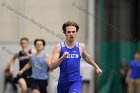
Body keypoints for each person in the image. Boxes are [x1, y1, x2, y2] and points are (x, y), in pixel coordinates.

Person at [50, 21, 103, 93]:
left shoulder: (80, 46)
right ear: (65, 33)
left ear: (76, 32)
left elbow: (87, 57)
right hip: (63, 82)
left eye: (73, 32)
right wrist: (62, 58)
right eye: (68, 32)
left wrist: (97, 67)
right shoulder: (59, 47)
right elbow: (51, 66)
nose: (71, 34)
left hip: (75, 81)